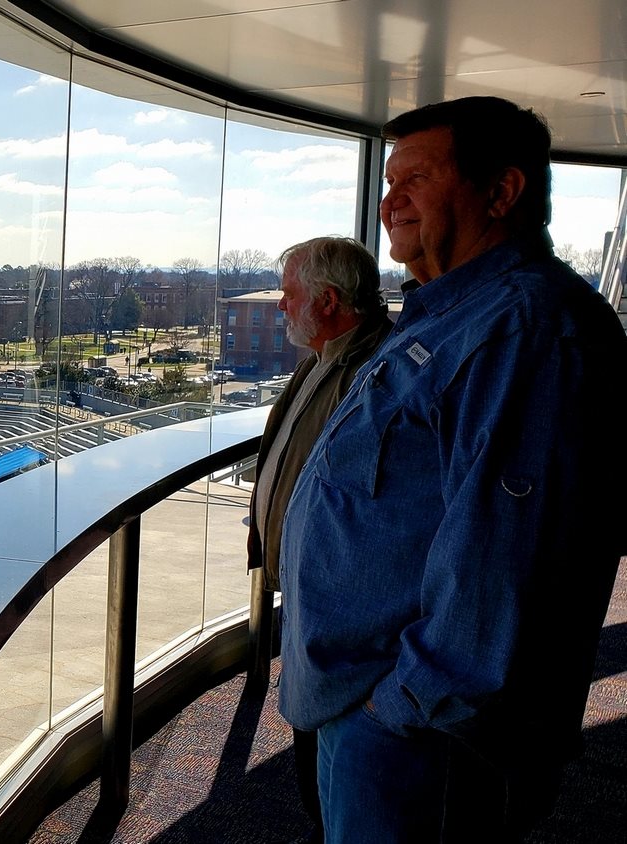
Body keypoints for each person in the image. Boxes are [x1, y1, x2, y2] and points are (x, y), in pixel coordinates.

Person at [278, 96, 627, 842]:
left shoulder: (525, 331)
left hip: (423, 734)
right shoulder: (450, 313)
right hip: (377, 707)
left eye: (416, 178)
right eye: (387, 179)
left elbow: (507, 560)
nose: (388, 200)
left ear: (502, 192)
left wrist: (401, 707)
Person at [247, 236, 393, 840]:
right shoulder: (326, 355)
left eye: (289, 295)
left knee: (332, 775)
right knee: (319, 765)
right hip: (316, 594)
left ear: (329, 301)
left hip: (342, 611)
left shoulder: (371, 373)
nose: (281, 306)